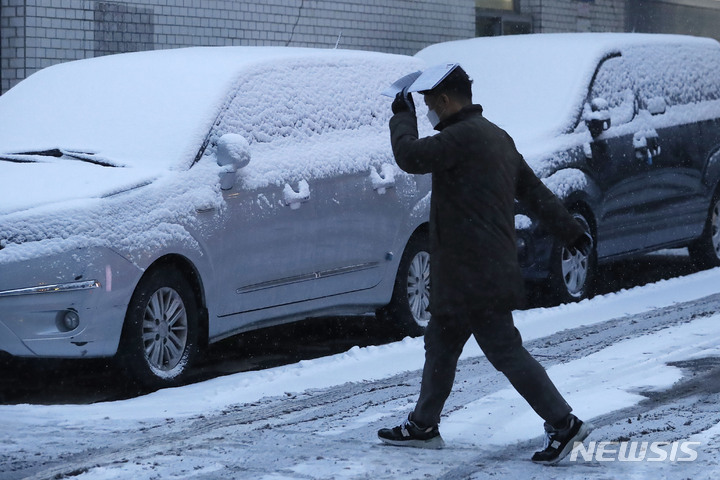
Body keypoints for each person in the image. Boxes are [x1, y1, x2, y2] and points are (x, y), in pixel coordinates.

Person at [377, 65, 593, 465]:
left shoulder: (460, 138)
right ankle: (423, 426)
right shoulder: (497, 137)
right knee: (440, 345)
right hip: (473, 270)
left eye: (428, 104)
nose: (428, 112)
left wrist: (400, 116)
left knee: (505, 351)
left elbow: (409, 156)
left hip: (473, 273)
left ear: (444, 101)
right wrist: (571, 232)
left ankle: (566, 426)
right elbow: (533, 191)